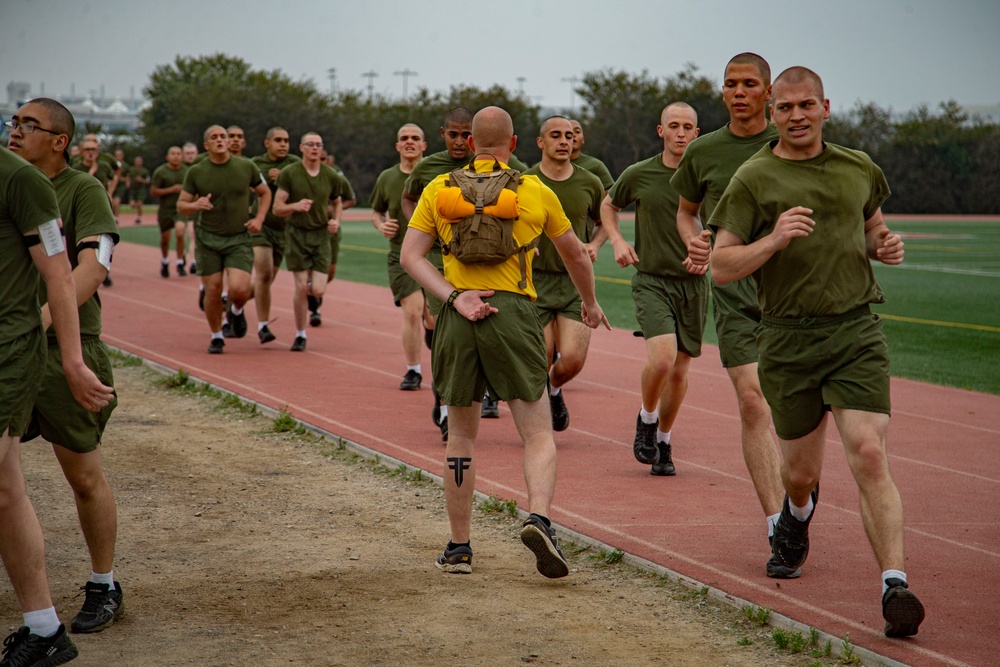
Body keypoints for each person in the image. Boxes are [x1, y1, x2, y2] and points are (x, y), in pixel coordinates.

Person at [708, 66, 925, 638]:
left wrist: (885, 244)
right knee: (800, 474)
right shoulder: (754, 178)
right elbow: (721, 266)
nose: (797, 116)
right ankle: (796, 515)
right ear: (772, 114)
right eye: (785, 108)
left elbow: (872, 227)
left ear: (826, 107)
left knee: (868, 451)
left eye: (807, 105)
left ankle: (895, 585)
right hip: (786, 339)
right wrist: (775, 238)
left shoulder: (858, 168)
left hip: (855, 332)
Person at [400, 106, 610, 579]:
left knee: (461, 435)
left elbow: (410, 257)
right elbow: (575, 253)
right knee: (536, 430)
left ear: (470, 144)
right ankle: (539, 517)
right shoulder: (535, 189)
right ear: (514, 145)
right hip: (514, 312)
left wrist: (454, 296)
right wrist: (590, 303)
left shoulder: (439, 187)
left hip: (458, 314)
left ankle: (458, 548)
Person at [9, 97, 125, 639]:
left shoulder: (83, 190)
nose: (16, 131)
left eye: (30, 125)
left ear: (59, 141)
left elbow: (92, 266)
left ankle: (103, 582)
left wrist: (40, 322)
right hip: (10, 348)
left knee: (81, 475)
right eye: (14, 121)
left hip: (58, 348)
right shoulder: (9, 181)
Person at [669, 52, 788, 570]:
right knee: (753, 401)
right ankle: (777, 526)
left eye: (749, 84)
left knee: (797, 418)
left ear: (768, 92)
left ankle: (797, 500)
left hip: (796, 297)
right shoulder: (705, 151)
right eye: (730, 85)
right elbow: (686, 211)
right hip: (736, 296)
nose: (739, 93)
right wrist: (696, 244)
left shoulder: (794, 146)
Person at [600, 103, 706, 476]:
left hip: (694, 285)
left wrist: (709, 256)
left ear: (697, 133)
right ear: (660, 131)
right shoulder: (640, 173)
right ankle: (646, 418)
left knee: (678, 372)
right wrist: (616, 241)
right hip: (652, 281)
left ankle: (663, 440)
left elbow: (729, 226)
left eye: (687, 127)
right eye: (673, 126)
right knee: (662, 358)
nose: (680, 132)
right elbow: (609, 204)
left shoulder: (707, 177)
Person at [523, 116, 605, 431]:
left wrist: (595, 244)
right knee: (539, 356)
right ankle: (538, 424)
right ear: (541, 142)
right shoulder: (524, 180)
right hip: (534, 282)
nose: (563, 141)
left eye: (569, 136)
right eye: (555, 135)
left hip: (575, 283)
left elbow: (603, 221)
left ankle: (554, 389)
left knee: (571, 359)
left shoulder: (589, 182)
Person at [177, 125, 270, 354]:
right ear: (206, 145)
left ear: (228, 142)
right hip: (208, 238)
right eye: (214, 137)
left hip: (238, 238)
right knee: (213, 289)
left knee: (239, 290)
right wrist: (194, 205)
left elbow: (265, 193)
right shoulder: (197, 172)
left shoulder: (246, 166)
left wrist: (259, 218)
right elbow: (182, 205)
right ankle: (217, 335)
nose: (220, 140)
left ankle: (236, 311)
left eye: (223, 137)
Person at [272, 132, 352, 352]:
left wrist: (336, 221)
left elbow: (337, 203)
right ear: (301, 148)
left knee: (317, 289)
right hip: (297, 234)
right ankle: (300, 334)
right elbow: (277, 208)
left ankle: (312, 299)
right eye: (310, 144)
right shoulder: (289, 174)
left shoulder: (331, 176)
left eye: (318, 144)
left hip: (321, 236)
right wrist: (294, 206)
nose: (315, 148)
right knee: (299, 288)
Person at [370, 123, 428, 388]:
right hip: (401, 256)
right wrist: (382, 225)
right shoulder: (386, 178)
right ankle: (413, 371)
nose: (409, 142)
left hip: (436, 257)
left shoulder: (436, 173)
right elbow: (376, 212)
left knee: (433, 318)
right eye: (404, 138)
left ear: (424, 146)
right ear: (397, 146)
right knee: (413, 313)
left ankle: (432, 331)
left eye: (415, 138)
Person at [250, 127, 301, 344]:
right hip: (262, 226)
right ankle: (263, 326)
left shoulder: (295, 164)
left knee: (266, 278)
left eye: (286, 140)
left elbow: (306, 190)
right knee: (263, 272)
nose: (283, 144)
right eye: (278, 140)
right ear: (267, 143)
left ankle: (234, 303)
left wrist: (285, 179)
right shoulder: (255, 165)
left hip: (285, 230)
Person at [307, 149, 356, 328]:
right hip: (309, 230)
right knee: (312, 269)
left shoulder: (335, 175)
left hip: (331, 230)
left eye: (323, 158)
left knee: (330, 272)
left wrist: (335, 210)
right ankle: (314, 306)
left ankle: (313, 291)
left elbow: (351, 199)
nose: (319, 161)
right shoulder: (303, 174)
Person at [150, 146, 189, 277]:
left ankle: (180, 262)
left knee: (180, 231)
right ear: (168, 156)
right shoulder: (161, 172)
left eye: (178, 154)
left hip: (180, 209)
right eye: (173, 154)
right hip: (165, 210)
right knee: (165, 239)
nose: (176, 156)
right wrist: (170, 190)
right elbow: (153, 191)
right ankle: (165, 261)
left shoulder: (187, 171)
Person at [568, 119, 615, 191]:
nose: (573, 135)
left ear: (583, 139)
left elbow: (610, 198)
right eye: (569, 133)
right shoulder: (550, 166)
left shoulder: (595, 166)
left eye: (577, 132)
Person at [181, 142, 200, 275]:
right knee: (180, 234)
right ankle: (181, 255)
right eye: (187, 154)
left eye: (192, 153)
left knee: (193, 235)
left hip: (195, 207)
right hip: (180, 208)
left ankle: (193, 261)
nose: (190, 156)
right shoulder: (179, 169)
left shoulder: (200, 168)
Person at [127, 155, 149, 225]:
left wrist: (141, 180)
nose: (138, 163)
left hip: (141, 189)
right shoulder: (131, 169)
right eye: (137, 161)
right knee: (132, 205)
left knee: (139, 204)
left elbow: (147, 181)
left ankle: (139, 217)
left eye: (139, 161)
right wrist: (128, 183)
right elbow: (128, 176)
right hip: (133, 189)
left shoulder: (144, 171)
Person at [110, 148, 127, 221]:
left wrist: (122, 179)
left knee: (116, 201)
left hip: (120, 186)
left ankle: (116, 217)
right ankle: (112, 215)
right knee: (111, 201)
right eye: (117, 155)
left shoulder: (126, 166)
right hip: (112, 185)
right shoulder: (111, 164)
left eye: (120, 155)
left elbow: (128, 177)